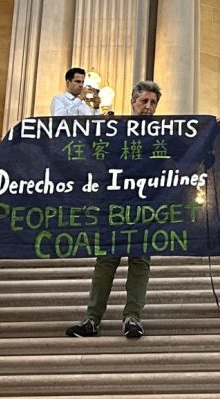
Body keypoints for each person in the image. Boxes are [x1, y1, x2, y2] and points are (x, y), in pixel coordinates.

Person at [65, 80, 161, 339]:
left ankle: (132, 317)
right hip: (115, 204)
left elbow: (187, 154)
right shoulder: (114, 130)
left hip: (146, 208)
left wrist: (210, 129)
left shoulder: (165, 133)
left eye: (153, 102)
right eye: (144, 101)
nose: (148, 107)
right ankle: (92, 318)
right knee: (106, 261)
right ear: (133, 102)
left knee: (139, 261)